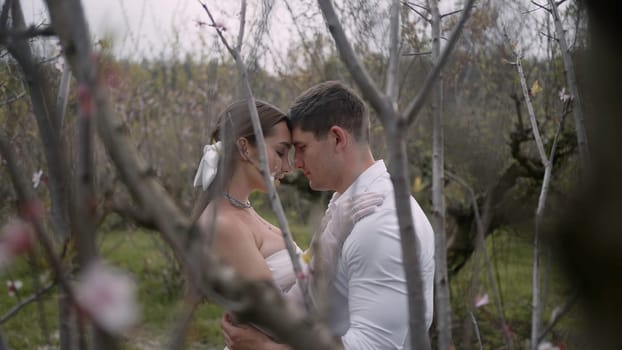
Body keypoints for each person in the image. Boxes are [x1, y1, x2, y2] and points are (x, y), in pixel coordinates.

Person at [221, 81, 435, 350]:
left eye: (301, 147)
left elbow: (374, 346)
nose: (295, 163)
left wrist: (265, 348)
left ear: (337, 138)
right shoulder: (347, 205)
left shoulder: (380, 223)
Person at [190, 99, 383, 345]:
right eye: (280, 152)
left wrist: (327, 230)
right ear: (244, 147)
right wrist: (333, 235)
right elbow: (277, 316)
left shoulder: (244, 212)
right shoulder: (223, 225)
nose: (288, 166)